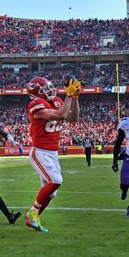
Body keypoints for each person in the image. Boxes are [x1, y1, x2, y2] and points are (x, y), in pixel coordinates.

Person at [25, 76, 81, 232]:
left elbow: (73, 117)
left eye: (50, 86)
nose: (50, 90)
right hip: (40, 152)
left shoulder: (56, 100)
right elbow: (58, 116)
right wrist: (69, 95)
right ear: (37, 93)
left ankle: (33, 218)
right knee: (56, 180)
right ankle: (32, 214)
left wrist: (75, 98)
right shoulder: (35, 104)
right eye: (45, 89)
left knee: (52, 193)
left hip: (53, 153)